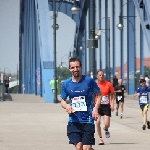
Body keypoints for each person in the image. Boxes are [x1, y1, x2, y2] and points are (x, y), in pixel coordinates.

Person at [60, 57, 102, 150]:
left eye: (77, 67)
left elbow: (99, 95)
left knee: (86, 148)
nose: (75, 69)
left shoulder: (88, 81)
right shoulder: (66, 83)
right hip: (73, 121)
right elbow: (62, 100)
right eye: (73, 67)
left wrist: (95, 109)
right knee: (79, 147)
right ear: (69, 69)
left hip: (88, 120)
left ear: (81, 67)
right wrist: (67, 106)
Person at [95, 70, 115, 145]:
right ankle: (100, 138)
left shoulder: (108, 84)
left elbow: (113, 94)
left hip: (106, 105)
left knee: (107, 124)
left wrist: (112, 104)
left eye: (102, 75)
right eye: (100, 75)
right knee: (98, 122)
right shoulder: (95, 84)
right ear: (97, 76)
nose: (101, 76)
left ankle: (106, 129)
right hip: (98, 105)